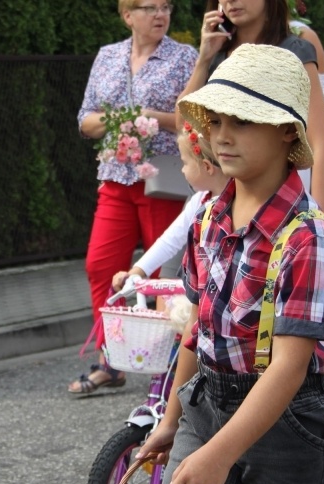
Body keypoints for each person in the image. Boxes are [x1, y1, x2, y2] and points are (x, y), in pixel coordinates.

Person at [137, 44, 324, 484]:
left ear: (286, 131)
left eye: (243, 121)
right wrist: (172, 419)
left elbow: (289, 367)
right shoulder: (208, 215)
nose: (222, 136)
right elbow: (197, 327)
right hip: (204, 407)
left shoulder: (308, 238)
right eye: (215, 122)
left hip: (288, 426)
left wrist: (220, 455)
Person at [69, 0, 198, 394]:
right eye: (149, 7)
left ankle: (167, 365)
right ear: (128, 15)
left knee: (162, 276)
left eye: (166, 7)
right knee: (100, 266)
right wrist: (118, 120)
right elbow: (85, 118)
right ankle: (111, 360)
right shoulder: (108, 56)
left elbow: (194, 118)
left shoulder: (184, 57)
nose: (160, 15)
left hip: (163, 178)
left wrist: (150, 116)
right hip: (116, 177)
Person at [176, 0, 324, 216]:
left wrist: (319, 219)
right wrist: (204, 59)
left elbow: (321, 144)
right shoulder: (218, 52)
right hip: (226, 201)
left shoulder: (292, 51)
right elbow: (184, 125)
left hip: (282, 197)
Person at [111, 123, 229, 294]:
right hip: (204, 292)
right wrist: (138, 270)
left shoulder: (234, 204)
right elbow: (170, 240)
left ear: (207, 167)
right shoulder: (199, 201)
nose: (182, 170)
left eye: (185, 163)